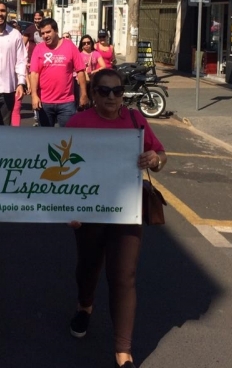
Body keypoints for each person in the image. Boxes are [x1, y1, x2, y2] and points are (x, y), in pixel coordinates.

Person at [66, 69, 167, 368]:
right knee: (88, 265)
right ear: (93, 94)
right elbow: (57, 166)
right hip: (88, 211)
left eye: (117, 91)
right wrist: (66, 207)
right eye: (104, 91)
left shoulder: (136, 120)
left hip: (127, 209)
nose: (112, 97)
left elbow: (160, 155)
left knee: (124, 276)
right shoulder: (78, 123)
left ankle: (123, 349)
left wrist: (155, 160)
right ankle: (85, 306)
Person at [30, 18, 88, 127]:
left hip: (66, 102)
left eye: (48, 32)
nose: (45, 36)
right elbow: (34, 73)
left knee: (67, 138)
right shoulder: (39, 49)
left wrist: (83, 94)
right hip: (44, 102)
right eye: (42, 33)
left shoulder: (70, 46)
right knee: (45, 138)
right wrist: (34, 95)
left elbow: (80, 71)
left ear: (56, 31)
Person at [77, 35, 105, 104]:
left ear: (91, 43)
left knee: (92, 101)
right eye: (84, 43)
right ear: (81, 45)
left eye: (88, 42)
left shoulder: (96, 54)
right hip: (81, 81)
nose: (86, 44)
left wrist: (93, 72)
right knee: (81, 101)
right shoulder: (78, 55)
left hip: (92, 80)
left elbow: (103, 66)